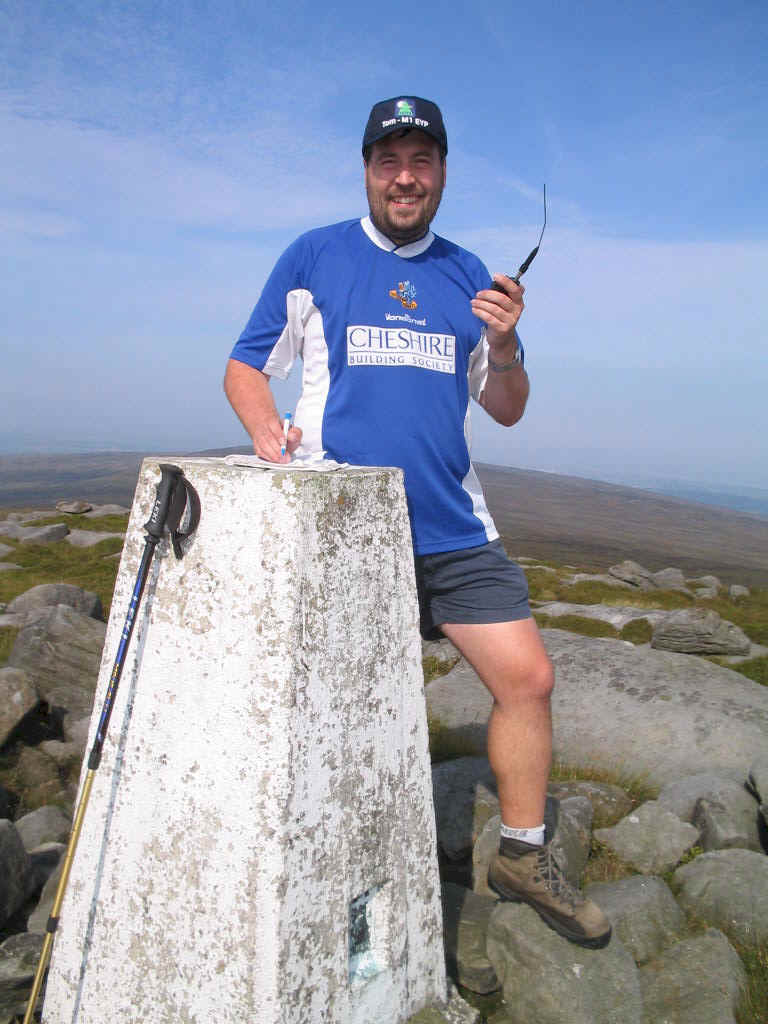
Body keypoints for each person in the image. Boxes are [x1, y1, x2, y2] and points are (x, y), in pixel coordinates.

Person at [224, 96, 611, 949]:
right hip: (349, 528)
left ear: (441, 173)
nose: (405, 176)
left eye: (422, 160)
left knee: (530, 681)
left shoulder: (471, 275)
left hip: (453, 526)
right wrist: (262, 427)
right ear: (367, 168)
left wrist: (506, 347)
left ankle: (520, 853)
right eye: (389, 159)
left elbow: (506, 409)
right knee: (349, 714)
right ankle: (337, 884)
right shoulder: (315, 254)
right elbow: (247, 364)